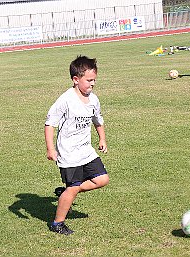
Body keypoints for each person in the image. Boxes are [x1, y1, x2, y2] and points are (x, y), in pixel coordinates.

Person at [44, 55, 109, 235]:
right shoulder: (65, 100)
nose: (92, 84)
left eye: (94, 80)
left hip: (86, 150)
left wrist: (102, 139)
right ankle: (57, 223)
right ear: (75, 79)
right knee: (72, 188)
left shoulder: (94, 99)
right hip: (69, 153)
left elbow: (98, 120)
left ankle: (66, 194)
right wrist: (50, 149)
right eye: (88, 80)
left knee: (102, 179)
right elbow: (50, 124)